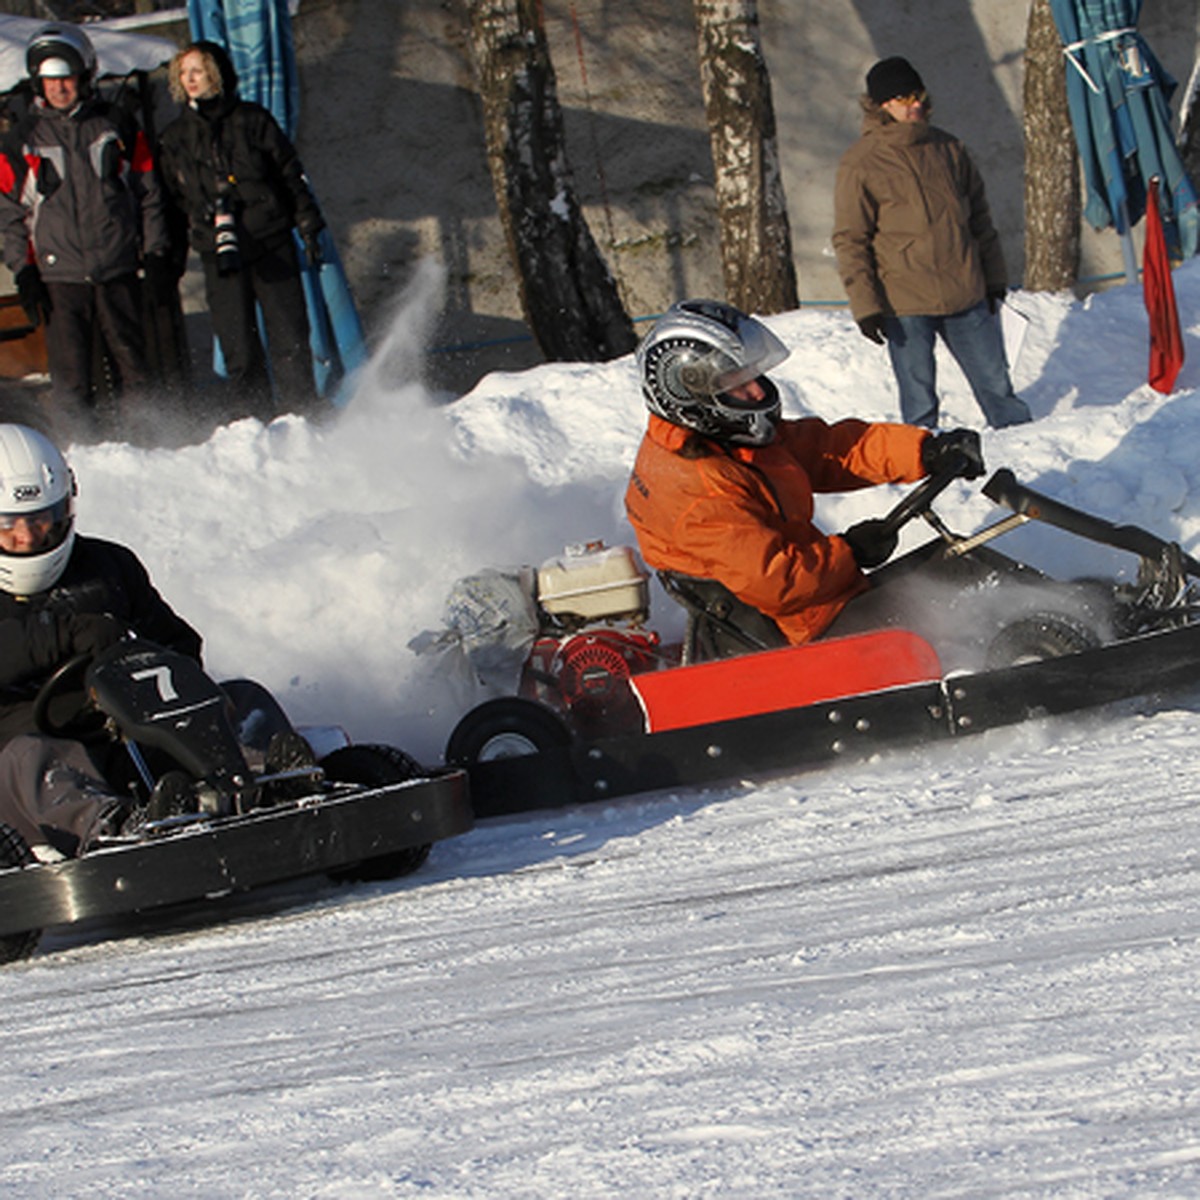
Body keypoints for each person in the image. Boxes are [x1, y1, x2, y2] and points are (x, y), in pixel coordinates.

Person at [623, 299, 984, 649]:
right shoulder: (698, 490)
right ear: (691, 396)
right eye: (737, 383)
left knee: (965, 567)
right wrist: (851, 552)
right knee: (967, 597)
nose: (756, 390)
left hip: (819, 601)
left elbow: (827, 450)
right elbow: (776, 580)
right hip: (806, 630)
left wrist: (925, 452)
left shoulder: (723, 444)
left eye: (754, 375)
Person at [0, 423, 203, 857]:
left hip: (121, 732)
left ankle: (268, 779)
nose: (28, 537)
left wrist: (134, 656)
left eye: (41, 520)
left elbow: (179, 645)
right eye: (9, 526)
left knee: (238, 697)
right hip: (26, 765)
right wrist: (70, 634)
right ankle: (113, 829)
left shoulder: (107, 565)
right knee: (29, 755)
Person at [832, 56, 1031, 431]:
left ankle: (1025, 449)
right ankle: (922, 465)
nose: (915, 105)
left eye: (918, 95)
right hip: (904, 302)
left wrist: (993, 279)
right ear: (881, 105)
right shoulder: (861, 163)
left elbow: (980, 222)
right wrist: (866, 305)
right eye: (904, 98)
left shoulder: (950, 149)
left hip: (965, 292)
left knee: (997, 387)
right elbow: (851, 239)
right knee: (919, 401)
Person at [0, 24, 174, 439]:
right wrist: (23, 271)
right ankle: (83, 450)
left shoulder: (115, 125)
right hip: (59, 278)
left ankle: (149, 441)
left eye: (68, 78)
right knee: (71, 375)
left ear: (85, 75)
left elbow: (148, 192)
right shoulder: (23, 140)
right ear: (38, 82)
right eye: (51, 80)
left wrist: (156, 252)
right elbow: (8, 212)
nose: (61, 88)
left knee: (133, 364)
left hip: (115, 266)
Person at [157, 41, 325, 421]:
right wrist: (168, 259)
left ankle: (303, 415)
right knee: (238, 345)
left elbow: (289, 174)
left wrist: (308, 221)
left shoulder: (252, 120)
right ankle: (252, 423)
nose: (191, 79)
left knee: (290, 336)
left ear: (217, 72)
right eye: (184, 73)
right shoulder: (175, 137)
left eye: (198, 70)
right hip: (218, 250)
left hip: (269, 239)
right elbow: (171, 203)